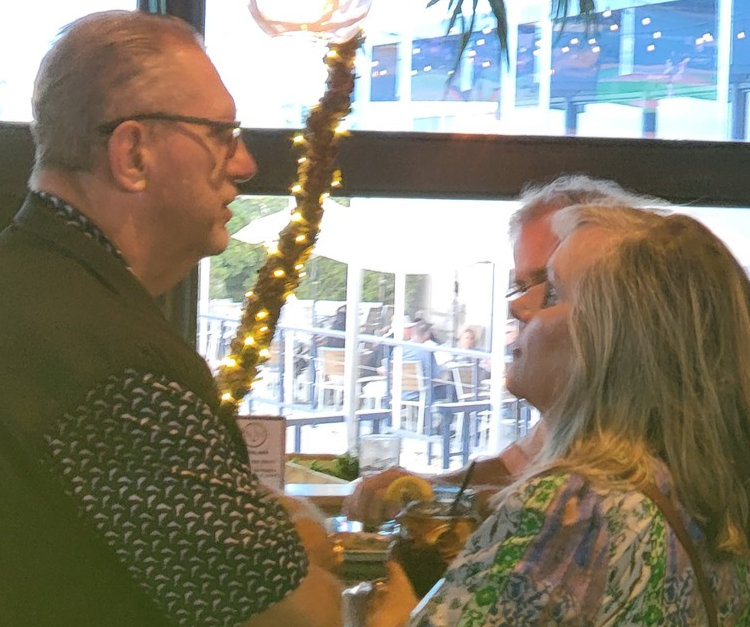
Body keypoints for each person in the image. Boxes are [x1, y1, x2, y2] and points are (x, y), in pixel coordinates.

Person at [0, 11, 340, 627]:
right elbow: (288, 611)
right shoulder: (115, 367)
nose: (244, 164)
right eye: (222, 134)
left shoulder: (34, 290)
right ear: (132, 153)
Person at [369, 204, 750, 626]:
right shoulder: (703, 495)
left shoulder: (575, 509)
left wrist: (390, 605)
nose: (519, 309)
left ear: (612, 342)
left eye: (551, 292)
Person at [344, 174, 665, 526]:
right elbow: (513, 469)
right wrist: (429, 489)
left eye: (550, 284)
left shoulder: (633, 429)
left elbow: (550, 512)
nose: (518, 305)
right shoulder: (576, 407)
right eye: (521, 285)